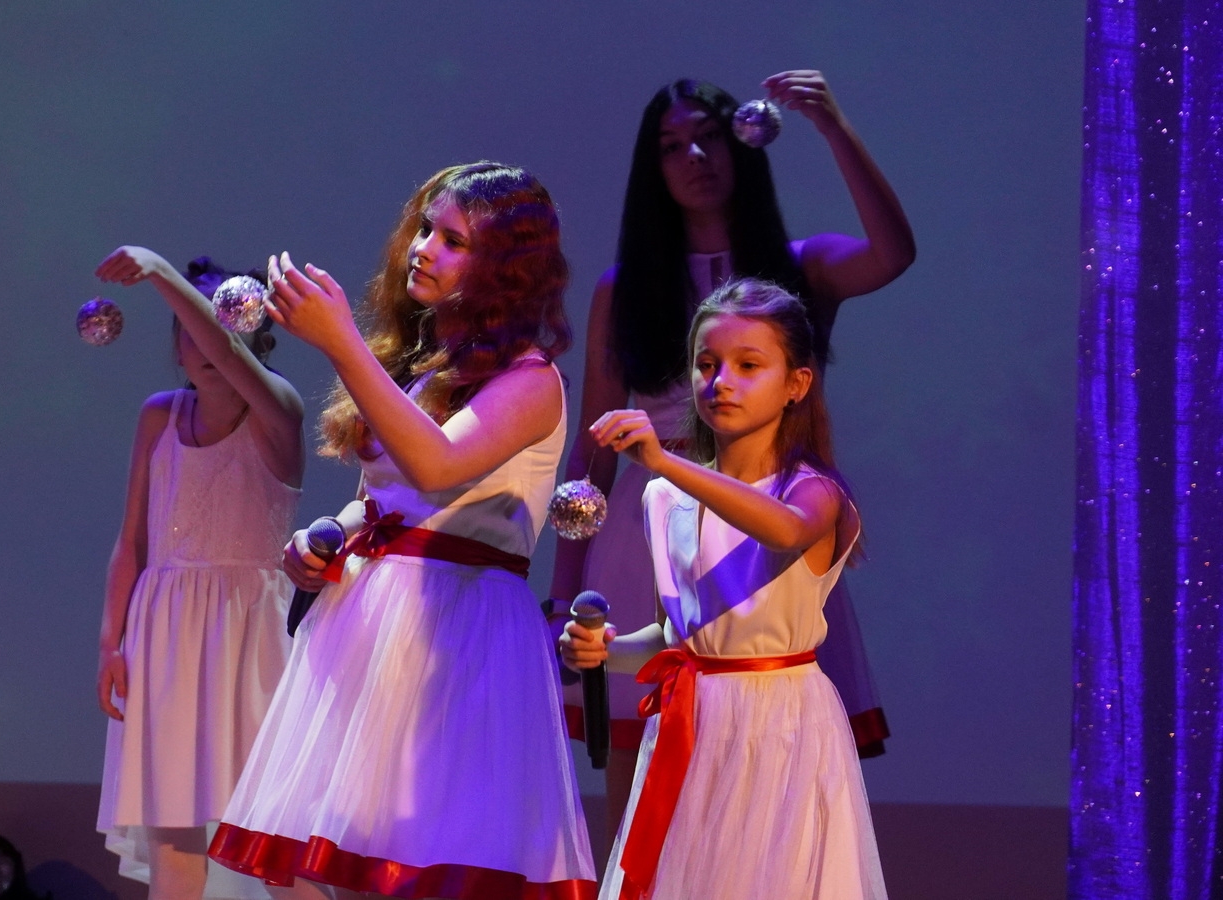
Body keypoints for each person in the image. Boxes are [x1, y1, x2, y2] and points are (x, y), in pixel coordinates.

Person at [207, 162, 596, 900]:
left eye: (455, 241)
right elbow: (385, 500)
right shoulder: (424, 371)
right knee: (345, 860)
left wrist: (340, 343)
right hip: (372, 624)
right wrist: (327, 535)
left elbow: (436, 466)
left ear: (506, 271)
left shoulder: (531, 381)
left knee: (430, 860)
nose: (424, 248)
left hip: (456, 632)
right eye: (425, 229)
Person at [549, 72, 915, 826]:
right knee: (643, 765)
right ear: (652, 169)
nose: (694, 156)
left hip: (768, 510)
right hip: (643, 529)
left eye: (709, 136)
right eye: (671, 145)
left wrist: (833, 126)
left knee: (771, 757)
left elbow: (893, 252)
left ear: (742, 143)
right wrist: (562, 590)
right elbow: (593, 452)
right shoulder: (625, 288)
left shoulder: (800, 267)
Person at [562, 278, 885, 900]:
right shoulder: (663, 498)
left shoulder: (811, 490)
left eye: (748, 366)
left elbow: (784, 529)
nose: (721, 382)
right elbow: (681, 637)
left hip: (779, 727)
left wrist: (666, 461)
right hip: (691, 728)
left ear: (796, 384)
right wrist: (607, 651)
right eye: (706, 365)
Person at [92, 250, 305, 900]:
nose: (209, 338)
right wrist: (111, 642)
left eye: (227, 318)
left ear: (257, 335)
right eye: (191, 325)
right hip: (164, 636)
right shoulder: (159, 415)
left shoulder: (279, 410)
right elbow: (132, 540)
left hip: (250, 641)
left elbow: (230, 358)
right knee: (174, 845)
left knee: (273, 848)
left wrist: (160, 272)